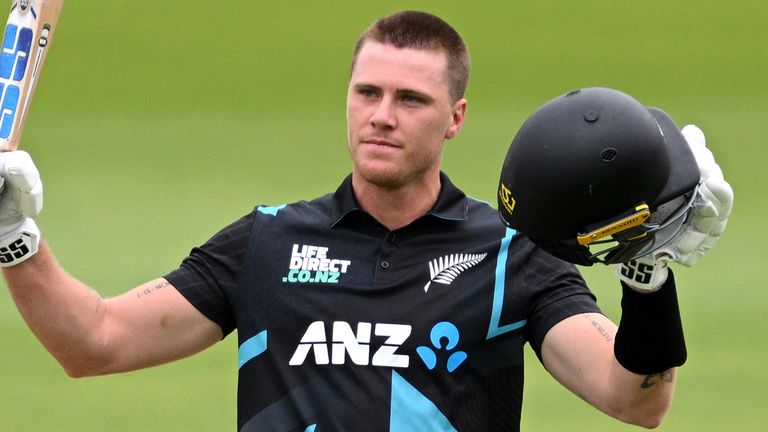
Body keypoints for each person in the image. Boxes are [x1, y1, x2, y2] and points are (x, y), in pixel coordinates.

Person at [0, 10, 732, 432]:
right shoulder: (267, 241)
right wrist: (16, 240)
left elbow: (633, 397)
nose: (382, 116)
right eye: (367, 92)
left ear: (455, 118)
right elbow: (91, 343)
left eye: (410, 100)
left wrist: (647, 277)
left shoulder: (511, 256)